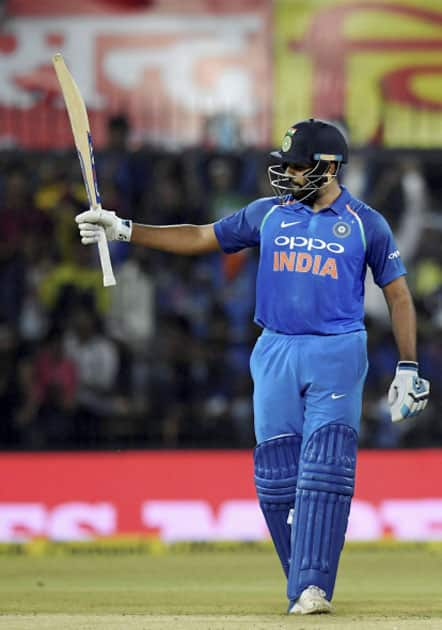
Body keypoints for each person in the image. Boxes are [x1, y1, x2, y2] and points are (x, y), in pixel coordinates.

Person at [74, 118, 430, 615]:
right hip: (274, 350)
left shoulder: (367, 222)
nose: (286, 173)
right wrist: (126, 229)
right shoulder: (268, 214)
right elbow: (201, 236)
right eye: (284, 163)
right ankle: (303, 582)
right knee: (276, 480)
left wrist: (409, 366)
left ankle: (313, 588)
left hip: (336, 350)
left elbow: (399, 296)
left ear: (329, 168)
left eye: (298, 166)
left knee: (325, 469)